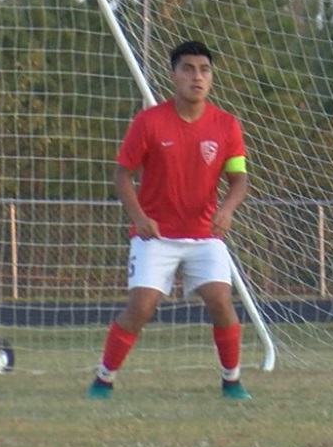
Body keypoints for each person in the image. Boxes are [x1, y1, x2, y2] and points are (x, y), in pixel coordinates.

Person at [87, 40, 252, 400]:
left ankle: (232, 381)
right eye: (188, 69)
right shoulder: (148, 122)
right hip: (155, 237)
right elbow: (122, 175)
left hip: (205, 236)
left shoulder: (226, 125)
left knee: (220, 301)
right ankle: (103, 379)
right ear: (173, 75)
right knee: (141, 307)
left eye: (204, 70)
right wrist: (139, 217)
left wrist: (226, 210)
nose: (197, 77)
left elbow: (239, 180)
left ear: (211, 77)